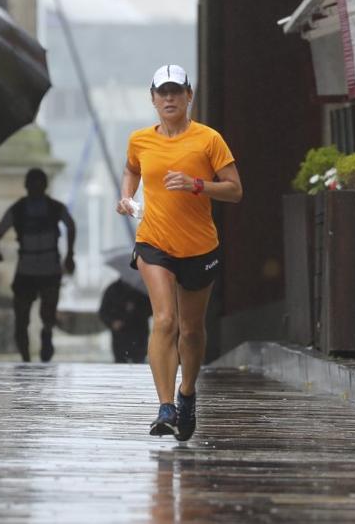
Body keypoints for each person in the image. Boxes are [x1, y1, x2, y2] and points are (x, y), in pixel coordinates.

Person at [117, 64, 242, 441]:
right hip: (154, 241)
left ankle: (187, 393)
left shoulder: (209, 140)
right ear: (153, 99)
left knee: (190, 330)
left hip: (199, 246)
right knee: (165, 319)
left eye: (176, 92)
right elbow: (131, 169)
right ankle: (165, 405)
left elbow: (235, 190)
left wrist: (197, 184)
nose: (169, 99)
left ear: (189, 97)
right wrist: (126, 197)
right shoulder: (140, 139)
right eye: (162, 93)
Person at [0, 168, 76, 362]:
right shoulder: (45, 208)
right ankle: (30, 352)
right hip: (38, 267)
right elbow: (70, 226)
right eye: (33, 184)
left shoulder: (26, 208)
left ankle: (39, 343)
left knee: (37, 315)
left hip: (41, 267)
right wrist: (69, 255)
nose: (35, 188)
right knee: (24, 318)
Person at [98, 277, 153, 363]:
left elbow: (151, 310)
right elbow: (103, 312)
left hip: (139, 336)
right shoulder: (113, 289)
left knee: (139, 363)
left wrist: (135, 309)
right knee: (120, 365)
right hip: (120, 338)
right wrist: (112, 322)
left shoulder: (142, 290)